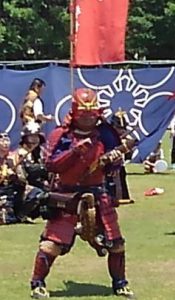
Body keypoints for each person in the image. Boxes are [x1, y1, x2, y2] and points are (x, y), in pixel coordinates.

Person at [29, 88, 134, 299]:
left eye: (91, 113)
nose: (87, 117)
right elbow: (51, 165)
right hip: (68, 194)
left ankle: (120, 283)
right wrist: (74, 151)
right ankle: (37, 283)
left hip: (98, 192)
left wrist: (111, 160)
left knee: (116, 243)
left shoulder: (105, 133)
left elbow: (118, 161)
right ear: (75, 112)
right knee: (52, 244)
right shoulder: (61, 134)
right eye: (83, 113)